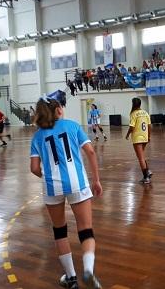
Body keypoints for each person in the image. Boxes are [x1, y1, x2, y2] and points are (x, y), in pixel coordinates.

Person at [29, 91, 103, 289]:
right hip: (77, 183)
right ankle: (87, 270)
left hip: (53, 188)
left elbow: (34, 168)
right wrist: (96, 180)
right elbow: (91, 151)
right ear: (59, 110)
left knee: (60, 231)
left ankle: (71, 279)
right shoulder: (72, 126)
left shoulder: (37, 137)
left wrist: (48, 178)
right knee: (85, 230)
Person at [125, 98, 152, 184]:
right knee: (142, 156)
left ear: (133, 104)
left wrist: (127, 134)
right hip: (145, 137)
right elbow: (149, 126)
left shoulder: (134, 113)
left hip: (137, 138)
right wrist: (149, 136)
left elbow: (132, 126)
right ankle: (148, 171)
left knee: (140, 158)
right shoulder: (145, 112)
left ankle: (146, 177)